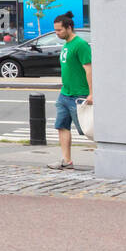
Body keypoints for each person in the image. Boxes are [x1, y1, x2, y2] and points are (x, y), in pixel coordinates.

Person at [48, 12, 92, 170]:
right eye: (55, 30)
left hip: (79, 95)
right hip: (65, 94)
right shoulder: (66, 44)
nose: (57, 33)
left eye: (59, 30)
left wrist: (91, 93)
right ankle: (66, 160)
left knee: (90, 129)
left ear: (69, 27)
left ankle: (111, 155)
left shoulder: (80, 45)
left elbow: (89, 70)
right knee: (62, 125)